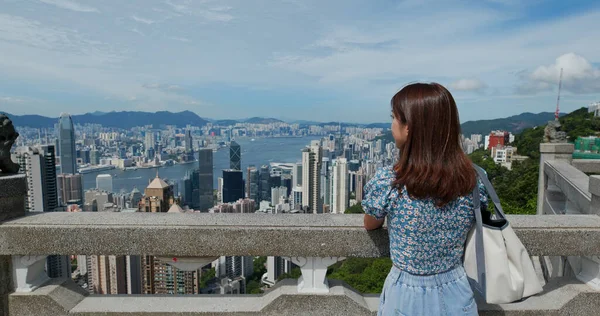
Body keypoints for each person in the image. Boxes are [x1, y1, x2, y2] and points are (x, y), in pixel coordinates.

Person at [362, 83, 487, 316]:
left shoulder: (391, 181)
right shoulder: (473, 179)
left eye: (394, 119)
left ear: (408, 127)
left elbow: (371, 223)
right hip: (457, 287)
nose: (391, 126)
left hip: (406, 293)